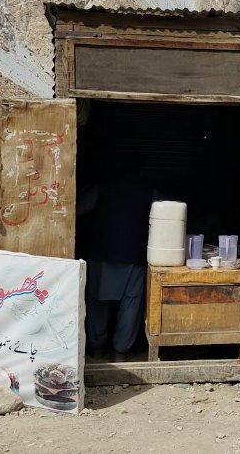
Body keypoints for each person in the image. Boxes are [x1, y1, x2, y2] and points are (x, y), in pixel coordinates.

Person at [77, 152, 157, 361]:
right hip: (133, 256)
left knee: (97, 303)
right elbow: (173, 212)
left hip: (102, 254)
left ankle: (96, 350)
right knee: (130, 306)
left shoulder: (101, 189)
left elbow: (76, 209)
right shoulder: (151, 193)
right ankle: (120, 353)